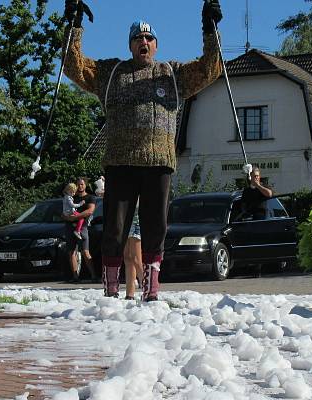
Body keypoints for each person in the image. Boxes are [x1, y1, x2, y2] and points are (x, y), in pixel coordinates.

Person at [64, 0, 223, 300]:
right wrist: (74, 27)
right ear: (130, 44)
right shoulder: (112, 73)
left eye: (149, 38)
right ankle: (111, 288)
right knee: (114, 228)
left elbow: (210, 69)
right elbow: (73, 66)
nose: (144, 42)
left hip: (159, 163)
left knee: (155, 228)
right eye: (138, 38)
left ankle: (151, 289)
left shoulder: (172, 74)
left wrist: (209, 29)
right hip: (120, 162)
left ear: (156, 44)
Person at [64, 177, 97, 283]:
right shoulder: (71, 197)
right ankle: (75, 276)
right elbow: (64, 211)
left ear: (85, 185)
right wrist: (68, 217)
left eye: (82, 184)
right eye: (78, 184)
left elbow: (90, 211)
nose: (80, 186)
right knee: (71, 252)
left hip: (82, 227)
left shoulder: (90, 198)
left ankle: (93, 276)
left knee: (85, 251)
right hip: (70, 226)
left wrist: (77, 218)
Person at [123, 202, 142, 300]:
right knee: (127, 257)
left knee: (136, 258)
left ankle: (149, 290)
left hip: (136, 219)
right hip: (125, 219)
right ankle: (129, 294)